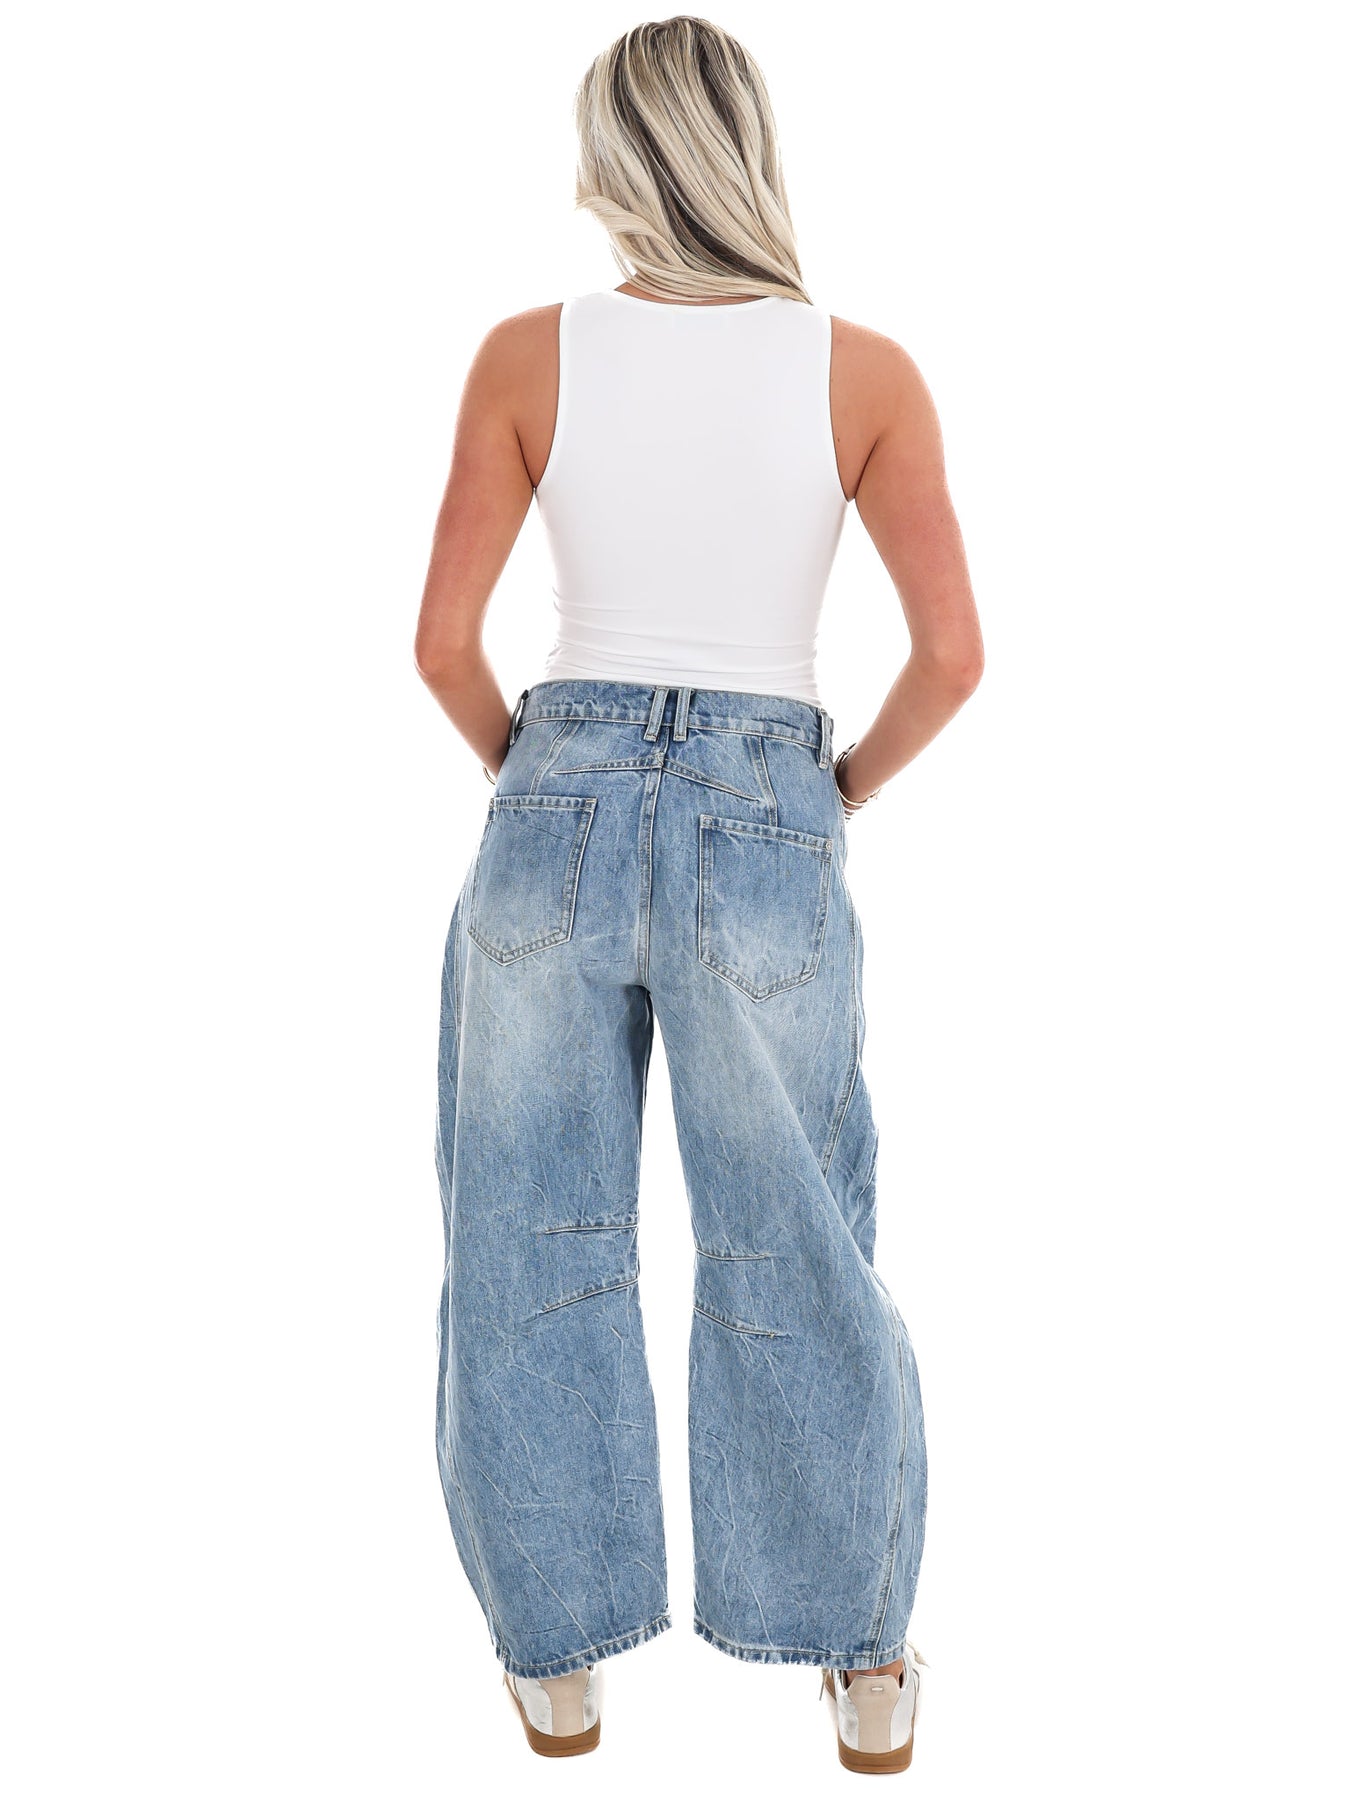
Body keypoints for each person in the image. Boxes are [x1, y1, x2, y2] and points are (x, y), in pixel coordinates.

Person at [414, 15, 983, 1775]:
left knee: (526, 1230)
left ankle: (558, 1666)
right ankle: (862, 1665)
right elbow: (952, 659)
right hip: (765, 809)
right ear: (748, 145)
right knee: (794, 1233)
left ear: (610, 155)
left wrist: (538, 778)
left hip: (556, 796)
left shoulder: (525, 354)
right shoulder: (861, 372)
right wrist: (826, 799)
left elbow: (440, 648)